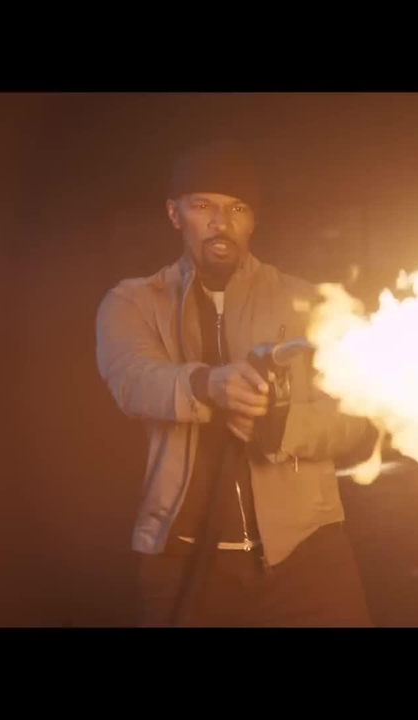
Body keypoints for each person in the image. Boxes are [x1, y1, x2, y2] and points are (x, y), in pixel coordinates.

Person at [95, 140, 380, 626]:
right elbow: (133, 380)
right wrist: (208, 385)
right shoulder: (132, 302)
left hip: (306, 555)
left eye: (237, 208)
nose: (221, 222)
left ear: (252, 222)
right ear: (175, 214)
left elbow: (354, 418)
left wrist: (281, 427)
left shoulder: (306, 303)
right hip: (185, 561)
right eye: (203, 206)